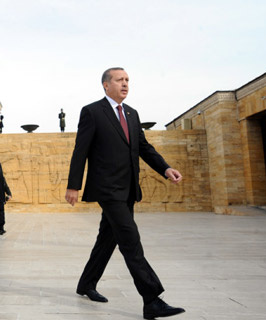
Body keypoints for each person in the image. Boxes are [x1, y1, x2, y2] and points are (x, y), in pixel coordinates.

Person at [65, 67, 185, 319]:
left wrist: (165, 168)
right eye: (119, 80)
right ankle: (151, 299)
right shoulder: (92, 112)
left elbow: (143, 147)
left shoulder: (131, 113)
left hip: (128, 188)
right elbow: (80, 150)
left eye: (127, 80)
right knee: (131, 240)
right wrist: (73, 185)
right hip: (107, 188)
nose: (125, 84)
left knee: (107, 239)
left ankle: (86, 283)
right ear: (106, 85)